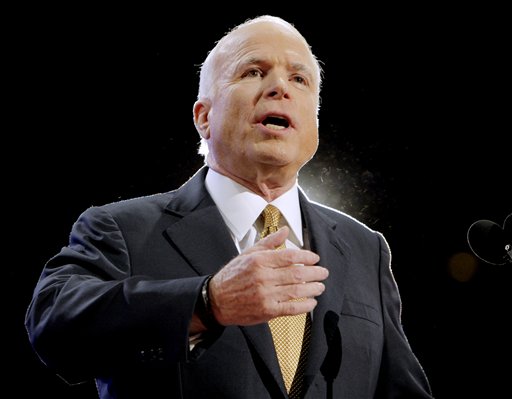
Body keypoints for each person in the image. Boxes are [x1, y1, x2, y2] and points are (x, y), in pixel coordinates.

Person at [25, 15, 433, 399]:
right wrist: (206, 302)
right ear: (204, 117)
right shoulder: (121, 229)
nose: (280, 88)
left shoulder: (366, 249)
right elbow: (52, 326)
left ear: (314, 121)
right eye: (253, 72)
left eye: (299, 78)